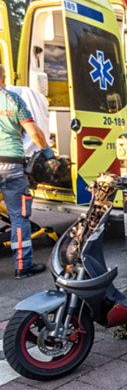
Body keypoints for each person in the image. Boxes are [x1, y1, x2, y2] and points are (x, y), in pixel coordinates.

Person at [0, 64, 51, 278]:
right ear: (3, 77)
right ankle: (23, 266)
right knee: (19, 217)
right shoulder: (13, 99)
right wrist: (49, 153)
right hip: (11, 165)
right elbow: (33, 132)